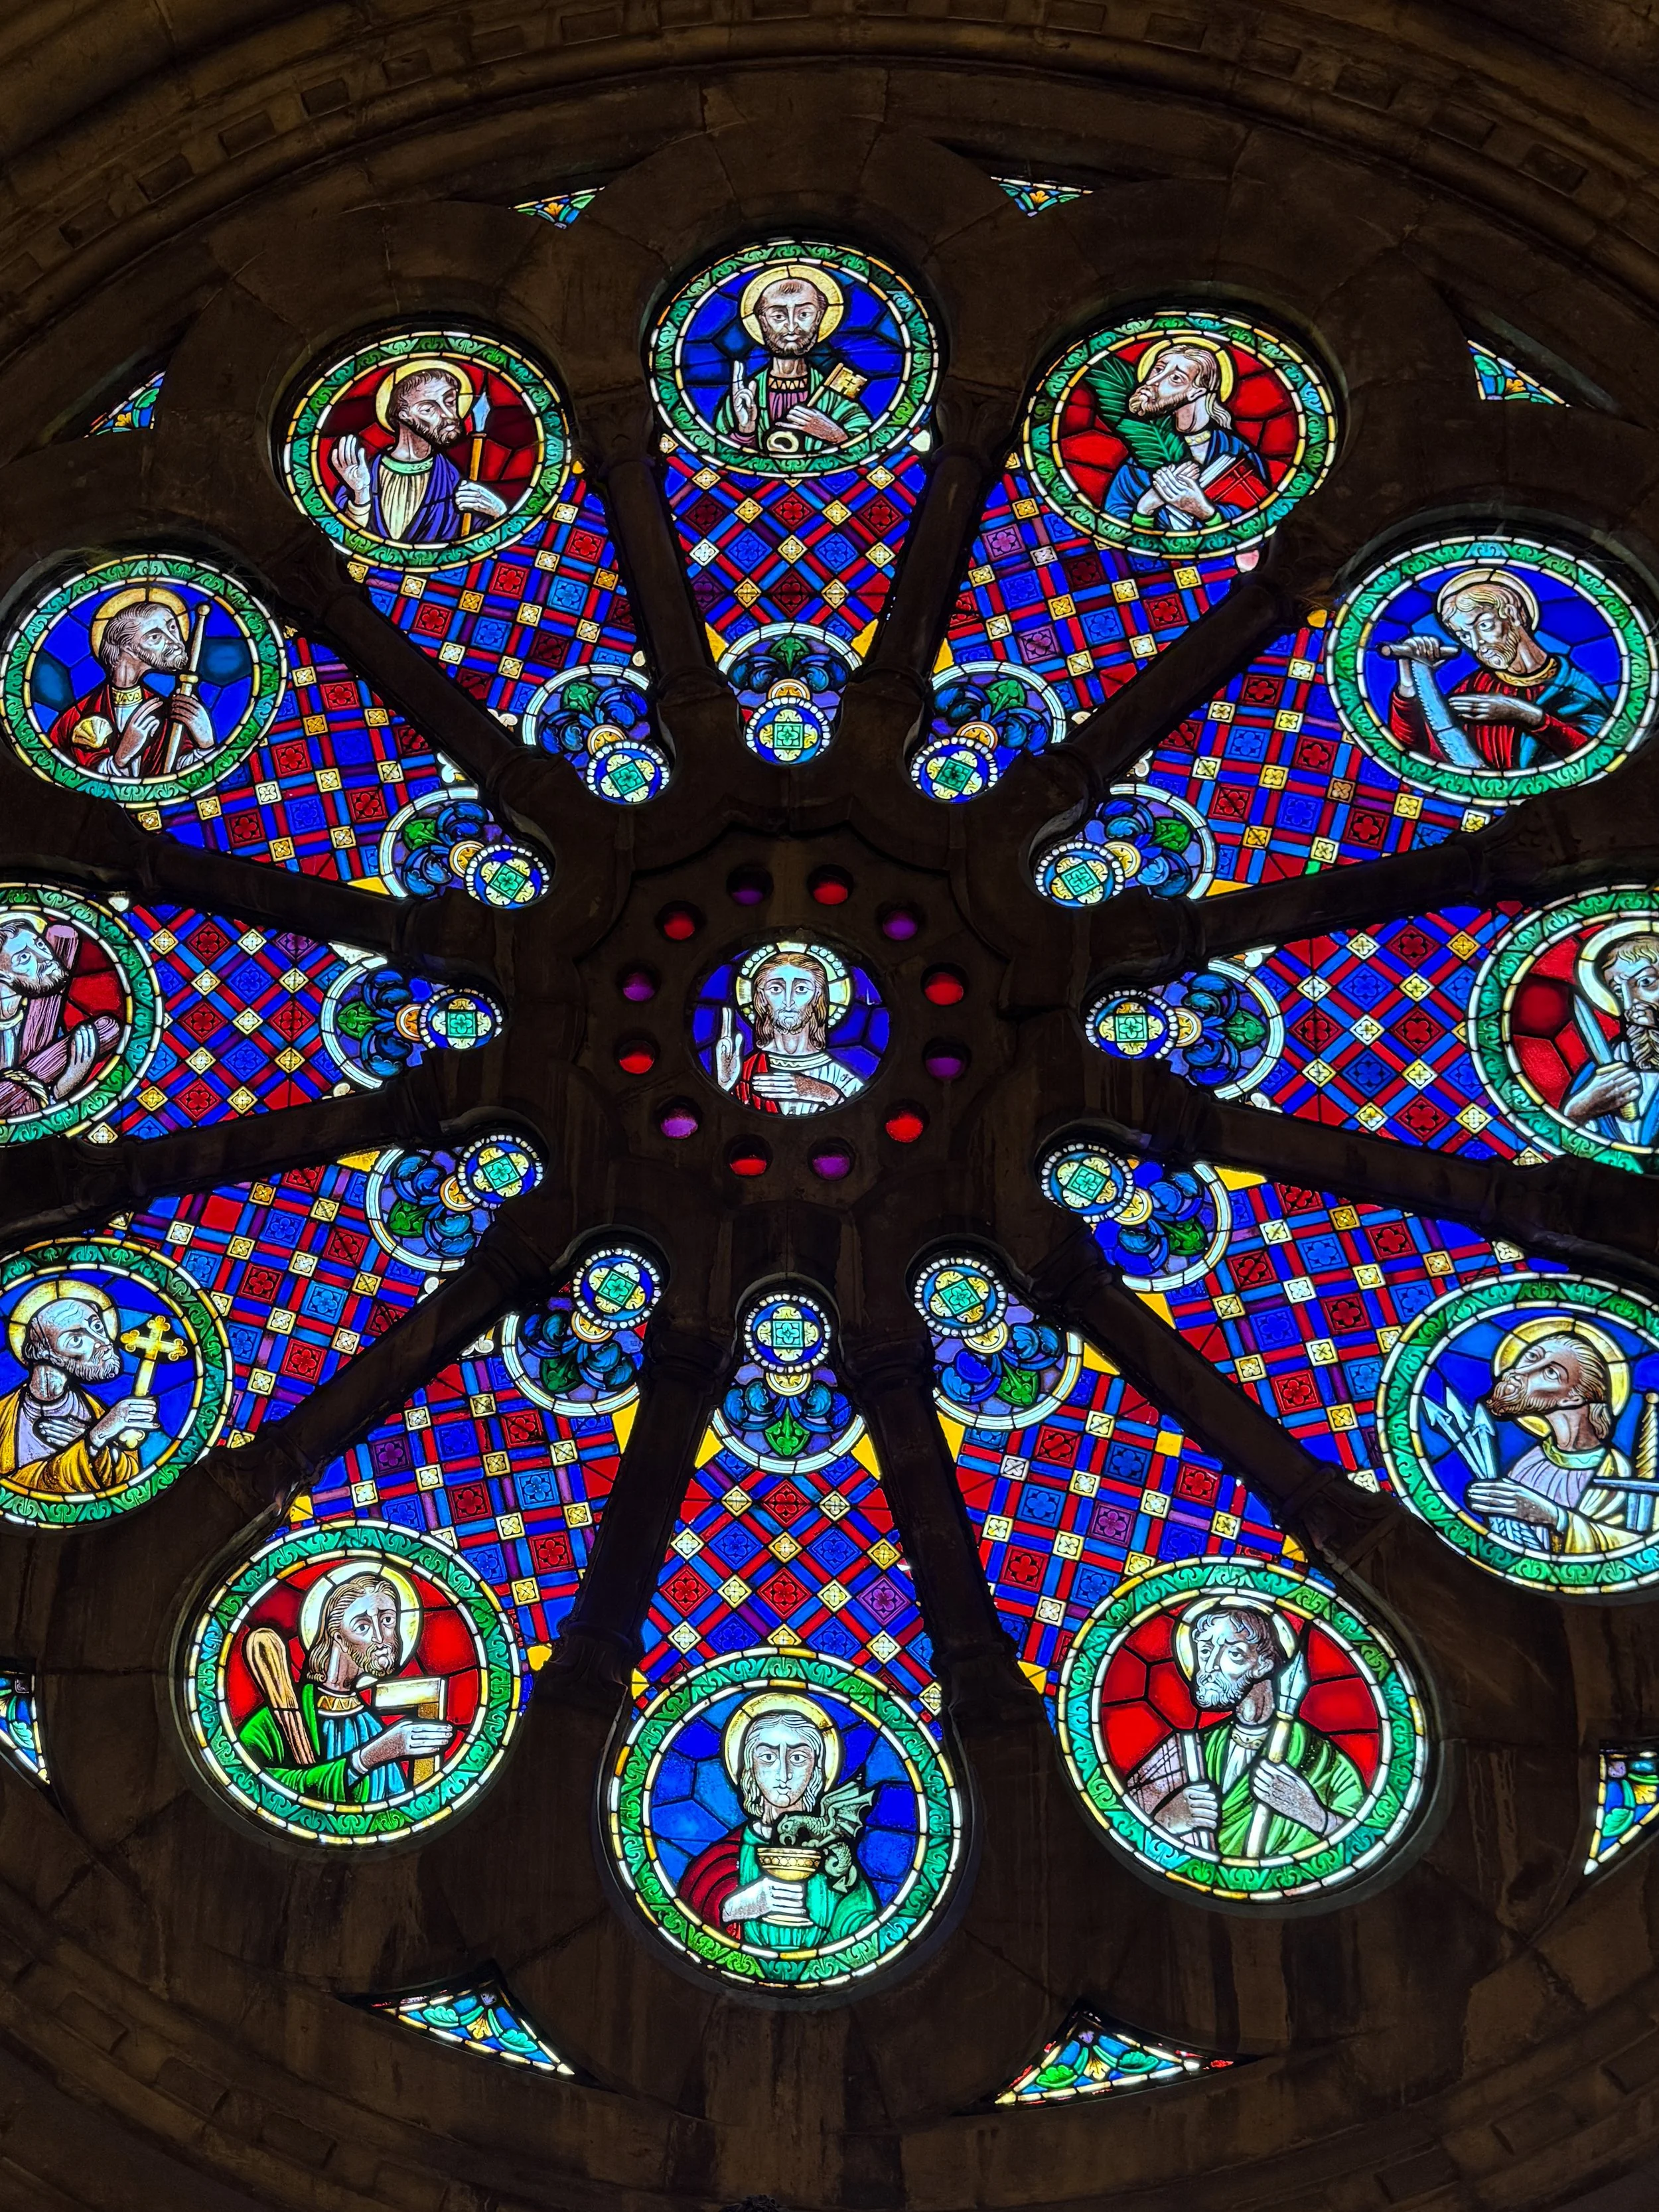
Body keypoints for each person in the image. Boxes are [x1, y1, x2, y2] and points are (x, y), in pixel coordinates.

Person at [1124, 1596, 1364, 1859]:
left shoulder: (1324, 1761)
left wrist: (1314, 1815)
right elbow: (1125, 1819)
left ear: (1264, 1664)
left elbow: (1361, 1844)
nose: (1210, 1667)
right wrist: (1168, 1819)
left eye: (1234, 1653)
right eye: (1205, 1650)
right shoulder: (1185, 1752)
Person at [680, 1696, 877, 1952]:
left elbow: (863, 1929)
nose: (783, 1774)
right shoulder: (722, 1858)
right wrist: (733, 1907)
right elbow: (687, 1922)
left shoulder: (833, 1853)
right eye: (768, 1757)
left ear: (816, 1771)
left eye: (797, 1758)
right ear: (749, 1768)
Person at [237, 1570, 453, 1803]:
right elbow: (253, 1782)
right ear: (338, 1637)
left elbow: (393, 1808)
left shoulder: (370, 1724)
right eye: (362, 1626)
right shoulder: (275, 1721)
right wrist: (371, 1756)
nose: (381, 1638)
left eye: (387, 1620)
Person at [1380, 567, 1612, 773]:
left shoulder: (1576, 688)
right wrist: (1411, 678)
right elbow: (1419, 753)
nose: (1476, 644)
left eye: (1484, 626)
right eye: (1463, 636)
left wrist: (1528, 716)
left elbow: (1596, 758)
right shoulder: (1472, 688)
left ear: (1513, 614)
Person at [1466, 1328, 1638, 1554]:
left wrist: (1555, 1517)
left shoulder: (1614, 1473)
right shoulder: (1531, 1461)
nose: (1522, 1372)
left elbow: (1627, 1550)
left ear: (1573, 1398)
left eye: (1550, 1373)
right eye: (1532, 1357)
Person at [0, 1287, 159, 1500]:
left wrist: (94, 1443)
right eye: (76, 1339)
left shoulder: (99, 1412)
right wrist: (93, 1438)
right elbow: (13, 1491)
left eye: (97, 1326)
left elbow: (127, 1488)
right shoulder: (3, 1416)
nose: (102, 1342)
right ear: (43, 1353)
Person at [45, 589, 215, 782]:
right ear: (127, 648)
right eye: (155, 637)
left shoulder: (168, 710)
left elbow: (187, 779)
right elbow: (78, 781)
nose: (175, 642)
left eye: (173, 628)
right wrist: (121, 757)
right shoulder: (79, 715)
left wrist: (205, 742)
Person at [1101, 338, 1267, 535]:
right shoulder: (1140, 458)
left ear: (1197, 391)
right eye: (1158, 370)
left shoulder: (1235, 452)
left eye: (1176, 378)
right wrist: (1146, 507)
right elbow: (1115, 529)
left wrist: (1204, 511)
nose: (1154, 382)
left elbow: (1256, 522)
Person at [332, 362, 508, 547]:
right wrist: (360, 497)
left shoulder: (453, 482)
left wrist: (499, 513)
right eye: (429, 409)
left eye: (450, 402)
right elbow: (342, 543)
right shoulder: (363, 477)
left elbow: (478, 548)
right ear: (403, 415)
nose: (449, 415)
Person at [713, 266, 872, 460]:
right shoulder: (743, 400)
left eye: (804, 314)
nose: (791, 326)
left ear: (820, 318)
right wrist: (745, 432)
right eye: (778, 316)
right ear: (762, 322)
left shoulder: (836, 395)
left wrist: (834, 435)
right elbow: (723, 462)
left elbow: (868, 452)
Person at [0, 917, 122, 1124]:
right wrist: (66, 1083)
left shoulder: (43, 1017)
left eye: (39, 944)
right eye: (24, 958)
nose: (44, 957)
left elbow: (109, 1030)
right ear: (3, 977)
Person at [714, 948, 863, 1114]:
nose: (788, 1001)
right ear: (762, 998)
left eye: (801, 989)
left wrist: (827, 1095)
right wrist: (725, 1086)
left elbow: (863, 1124)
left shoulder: (842, 1078)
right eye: (776, 989)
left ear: (817, 997)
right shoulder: (745, 1073)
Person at [1563, 932, 1659, 1145]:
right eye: (1618, 991)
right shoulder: (1608, 1062)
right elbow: (1572, 1149)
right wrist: (1579, 1111)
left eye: (1646, 982)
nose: (1630, 1005)